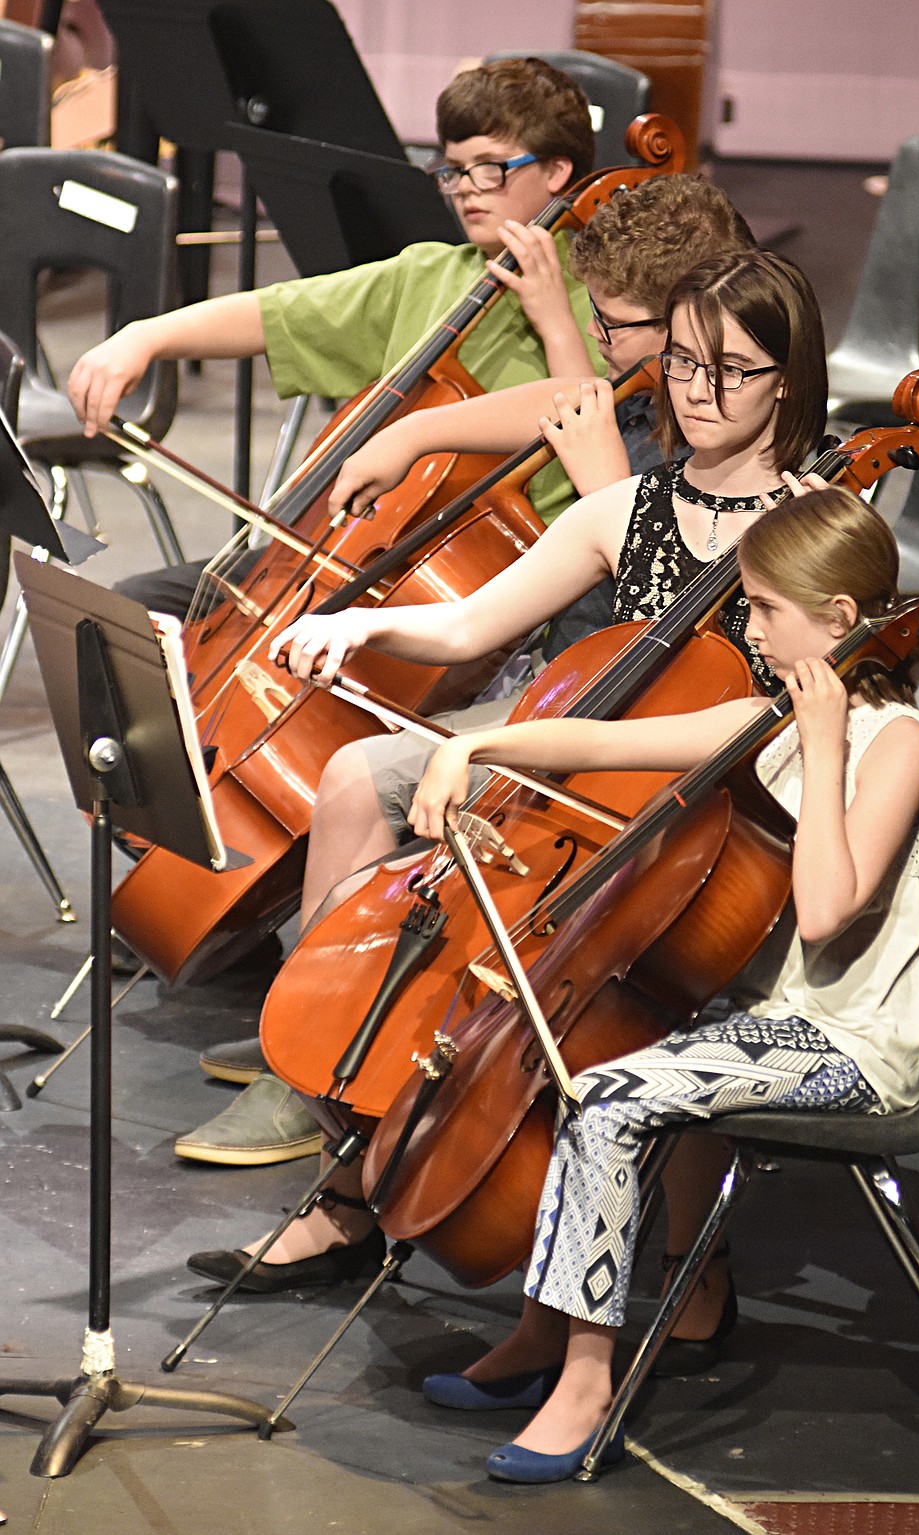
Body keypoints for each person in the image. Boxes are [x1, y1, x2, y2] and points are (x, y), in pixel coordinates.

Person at [183, 248, 832, 1341]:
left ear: (789, 381)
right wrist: (365, 623)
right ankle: (350, 1180)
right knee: (415, 928)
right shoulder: (634, 506)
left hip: (734, 828)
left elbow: (770, 719)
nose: (697, 390)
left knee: (644, 983)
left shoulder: (813, 525)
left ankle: (689, 1262)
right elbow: (470, 624)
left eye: (731, 369)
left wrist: (519, 741)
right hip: (592, 807)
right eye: (679, 362)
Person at [405, 483, 919, 1483]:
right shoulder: (766, 715)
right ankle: (538, 1329)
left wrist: (823, 744)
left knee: (610, 1098)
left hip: (852, 1042)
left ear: (838, 619)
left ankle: (584, 1378)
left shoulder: (897, 743)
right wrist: (474, 745)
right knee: (593, 1060)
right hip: (765, 1021)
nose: (749, 624)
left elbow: (825, 908)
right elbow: (603, 741)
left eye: (767, 608)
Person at [65, 55, 604, 621]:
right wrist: (145, 336)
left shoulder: (606, 296)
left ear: (557, 171)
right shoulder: (430, 273)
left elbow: (591, 419)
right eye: (452, 170)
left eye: (490, 169)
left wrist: (553, 322)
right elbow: (278, 314)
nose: (466, 190)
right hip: (366, 553)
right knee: (133, 609)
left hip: (490, 579)